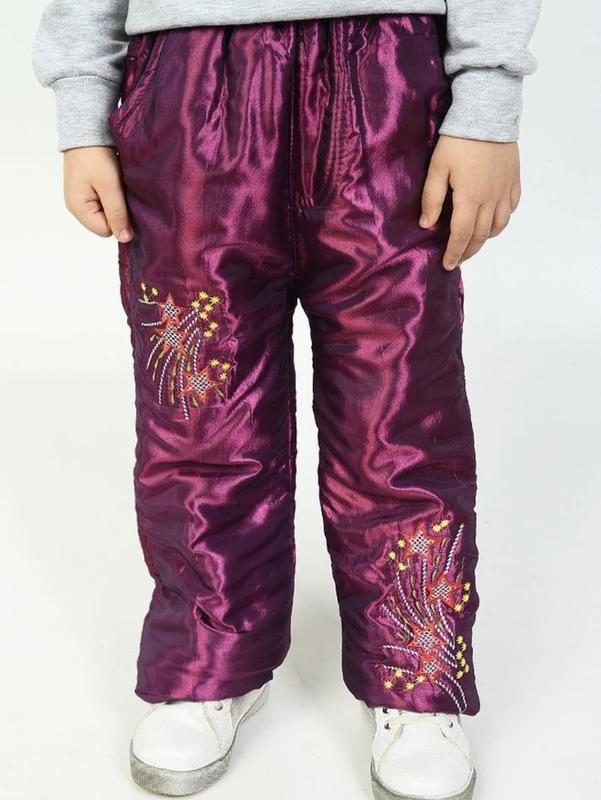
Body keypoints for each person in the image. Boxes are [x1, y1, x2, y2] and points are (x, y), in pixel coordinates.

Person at [33, 2, 539, 798]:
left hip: (389, 72)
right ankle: (207, 659)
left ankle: (415, 671)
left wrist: (485, 98)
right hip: (188, 86)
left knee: (402, 409)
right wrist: (82, 112)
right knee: (198, 411)